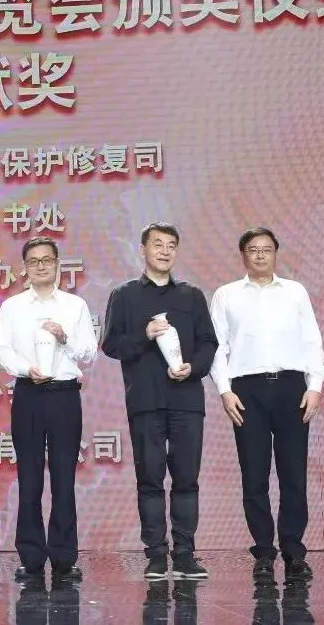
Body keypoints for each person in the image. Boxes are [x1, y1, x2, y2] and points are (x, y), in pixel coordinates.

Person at [101, 223, 218, 580]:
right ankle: (155, 555)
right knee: (150, 479)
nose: (165, 251)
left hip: (187, 400)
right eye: (158, 245)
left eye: (171, 245)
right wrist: (144, 335)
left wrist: (193, 368)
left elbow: (208, 343)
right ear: (143, 250)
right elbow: (111, 345)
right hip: (146, 401)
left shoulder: (191, 296)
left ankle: (185, 554)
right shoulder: (124, 295)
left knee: (186, 479)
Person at [210, 227, 324, 581]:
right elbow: (217, 346)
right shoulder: (226, 295)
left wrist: (315, 385)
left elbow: (311, 340)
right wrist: (224, 390)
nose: (260, 255)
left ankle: (294, 551)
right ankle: (263, 551)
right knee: (254, 475)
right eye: (253, 249)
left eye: (266, 249)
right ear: (243, 255)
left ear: (276, 253)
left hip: (292, 387)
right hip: (247, 391)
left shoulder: (295, 292)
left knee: (293, 475)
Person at [0, 236, 97, 583]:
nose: (40, 266)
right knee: (29, 477)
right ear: (25, 267)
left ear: (57, 264)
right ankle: (32, 556)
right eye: (34, 261)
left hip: (65, 395)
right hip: (29, 393)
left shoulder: (74, 305)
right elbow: (1, 351)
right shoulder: (12, 307)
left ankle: (65, 557)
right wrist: (27, 369)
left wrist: (65, 337)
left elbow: (89, 353)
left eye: (47, 260)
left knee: (64, 477)